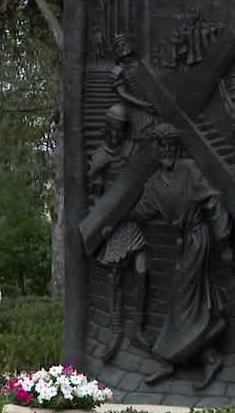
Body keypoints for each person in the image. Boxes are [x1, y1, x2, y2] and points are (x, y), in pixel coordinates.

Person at [134, 124, 230, 389]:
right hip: (183, 242)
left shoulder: (188, 169)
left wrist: (224, 238)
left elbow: (213, 199)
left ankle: (187, 358)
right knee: (184, 300)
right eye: (159, 147)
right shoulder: (154, 182)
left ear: (172, 146)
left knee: (184, 299)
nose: (163, 151)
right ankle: (203, 356)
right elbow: (142, 211)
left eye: (165, 146)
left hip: (198, 239)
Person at [86, 104, 147, 362]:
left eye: (119, 128)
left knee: (144, 268)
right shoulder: (100, 155)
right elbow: (94, 195)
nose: (114, 132)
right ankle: (116, 332)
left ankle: (139, 327)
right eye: (111, 127)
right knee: (115, 278)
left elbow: (139, 181)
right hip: (113, 224)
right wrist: (102, 222)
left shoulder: (132, 150)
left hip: (131, 219)